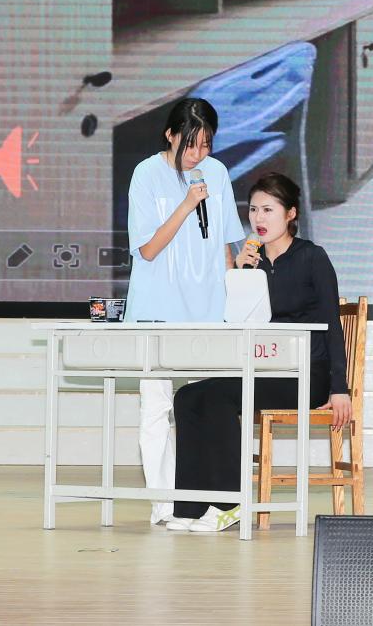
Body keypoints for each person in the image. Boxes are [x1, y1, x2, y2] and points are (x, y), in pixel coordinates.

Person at [168, 173, 353, 532]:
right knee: (188, 396)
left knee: (219, 397)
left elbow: (332, 324)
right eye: (253, 209)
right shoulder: (252, 263)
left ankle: (229, 504)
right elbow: (236, 323)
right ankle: (191, 506)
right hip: (264, 369)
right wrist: (240, 275)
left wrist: (339, 387)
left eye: (268, 209)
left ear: (291, 214)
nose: (258, 218)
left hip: (307, 373)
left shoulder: (312, 257)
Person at [124, 98, 245, 525]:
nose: (197, 154)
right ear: (170, 135)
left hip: (207, 310)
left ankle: (204, 500)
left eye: (206, 145)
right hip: (157, 309)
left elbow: (227, 247)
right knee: (155, 408)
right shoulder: (146, 174)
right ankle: (165, 504)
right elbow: (148, 248)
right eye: (190, 144)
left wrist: (231, 303)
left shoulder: (218, 172)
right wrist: (187, 203)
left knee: (205, 407)